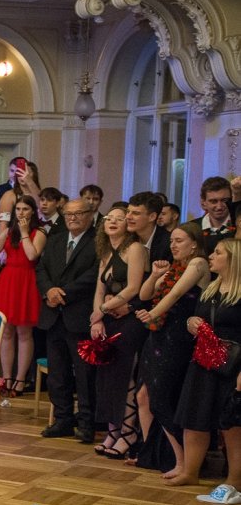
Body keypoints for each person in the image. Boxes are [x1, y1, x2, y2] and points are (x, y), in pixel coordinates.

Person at [169, 238, 241, 489]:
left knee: (232, 424)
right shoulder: (211, 288)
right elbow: (196, 317)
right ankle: (190, 472)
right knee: (194, 416)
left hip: (232, 364)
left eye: (218, 253)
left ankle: (235, 478)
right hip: (204, 360)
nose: (211, 256)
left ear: (233, 259)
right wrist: (191, 323)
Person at [135, 225, 206, 472]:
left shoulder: (198, 263)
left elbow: (176, 294)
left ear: (194, 244)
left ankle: (182, 460)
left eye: (179, 241)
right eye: (172, 241)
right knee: (143, 396)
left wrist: (153, 313)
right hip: (158, 337)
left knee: (162, 398)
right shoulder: (174, 269)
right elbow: (145, 294)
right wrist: (154, 275)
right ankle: (150, 454)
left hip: (177, 338)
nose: (173, 245)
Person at [38, 201, 101, 439]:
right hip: (53, 315)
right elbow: (41, 269)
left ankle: (86, 423)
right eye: (68, 214)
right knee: (57, 374)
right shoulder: (55, 239)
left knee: (84, 375)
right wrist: (48, 291)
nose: (72, 218)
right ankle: (62, 419)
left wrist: (63, 293)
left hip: (79, 314)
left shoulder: (98, 241)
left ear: (90, 215)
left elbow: (95, 274)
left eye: (78, 213)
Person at [89, 204, 148, 454]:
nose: (112, 222)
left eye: (119, 218)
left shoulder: (135, 248)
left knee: (125, 377)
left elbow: (133, 287)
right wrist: (97, 319)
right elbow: (99, 288)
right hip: (110, 318)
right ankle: (113, 431)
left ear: (128, 224)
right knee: (108, 379)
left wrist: (103, 308)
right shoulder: (105, 251)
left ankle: (129, 433)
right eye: (108, 218)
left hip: (130, 319)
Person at [0, 193, 45, 394]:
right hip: (8, 280)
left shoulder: (39, 232)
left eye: (25, 209)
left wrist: (24, 232)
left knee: (24, 332)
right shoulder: (9, 231)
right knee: (6, 331)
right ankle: (6, 377)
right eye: (18, 209)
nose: (21, 213)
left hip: (26, 280)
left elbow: (32, 255)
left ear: (33, 212)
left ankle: (21, 379)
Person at [180, 175, 234, 255]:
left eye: (224, 200)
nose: (219, 206)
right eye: (213, 201)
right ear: (203, 203)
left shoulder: (238, 226)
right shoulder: (191, 229)